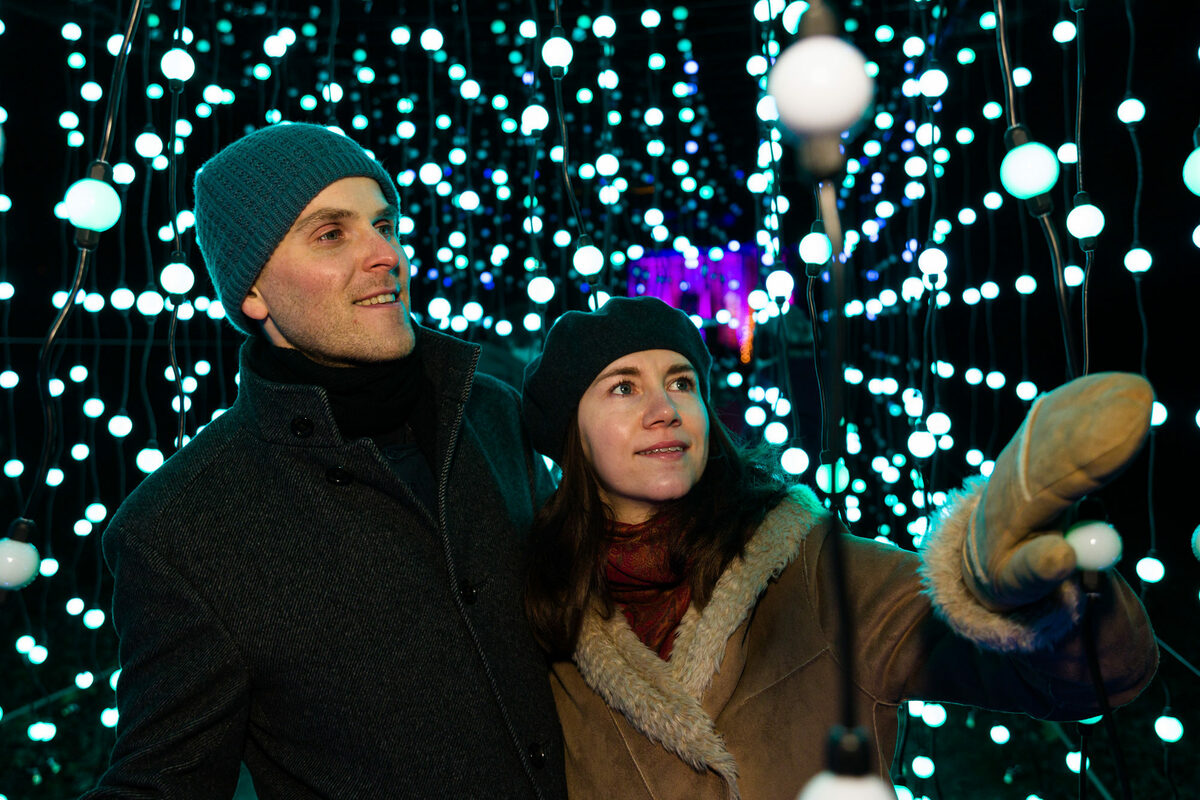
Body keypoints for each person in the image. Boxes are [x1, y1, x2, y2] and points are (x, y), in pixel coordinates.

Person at [83, 122, 566, 799]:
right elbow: (162, 784)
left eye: (384, 224)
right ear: (252, 293)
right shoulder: (181, 530)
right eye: (332, 234)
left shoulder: (490, 412)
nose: (386, 256)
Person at [519, 295, 1158, 800]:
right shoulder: (545, 607)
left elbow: (1101, 680)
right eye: (624, 388)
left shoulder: (809, 570)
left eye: (683, 382)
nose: (666, 408)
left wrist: (1035, 599)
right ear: (572, 431)